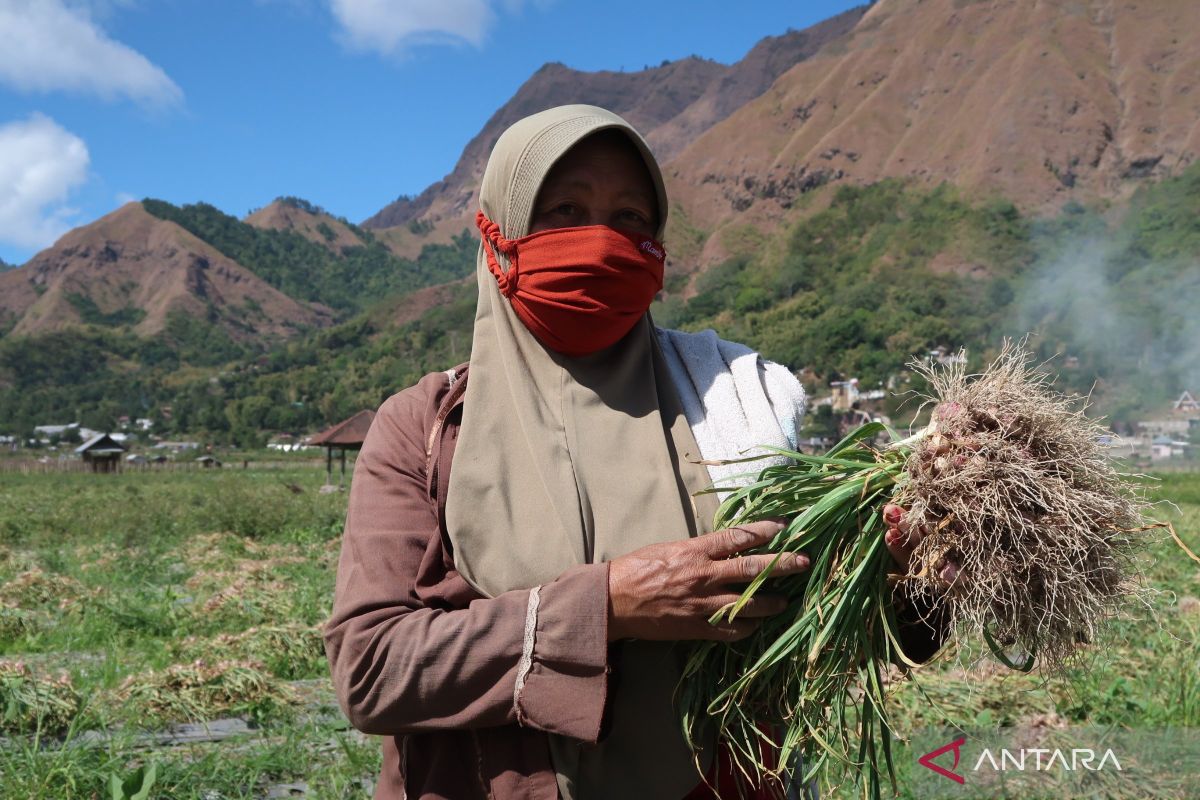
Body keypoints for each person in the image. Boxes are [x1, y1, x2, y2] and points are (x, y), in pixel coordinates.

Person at [324, 105, 945, 800]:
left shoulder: (734, 402)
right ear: (499, 236)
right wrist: (607, 606)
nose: (600, 242)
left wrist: (901, 571)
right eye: (564, 210)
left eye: (630, 220)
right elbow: (370, 669)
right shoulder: (427, 430)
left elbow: (824, 624)